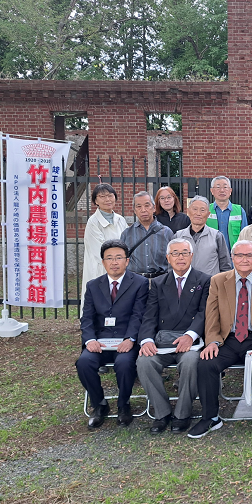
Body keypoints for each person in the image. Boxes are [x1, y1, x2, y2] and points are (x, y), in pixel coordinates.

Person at [188, 240, 252, 438]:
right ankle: (210, 417)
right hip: (226, 339)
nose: (244, 259)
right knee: (206, 363)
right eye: (239, 255)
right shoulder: (218, 281)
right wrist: (212, 341)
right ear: (232, 258)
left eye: (249, 255)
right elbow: (211, 315)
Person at [136, 239, 211, 434]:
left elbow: (204, 313)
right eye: (175, 253)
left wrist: (190, 335)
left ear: (191, 256)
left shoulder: (204, 280)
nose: (180, 257)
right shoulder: (158, 283)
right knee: (144, 361)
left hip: (191, 342)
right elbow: (149, 315)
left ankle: (182, 413)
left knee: (191, 362)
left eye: (185, 253)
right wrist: (146, 340)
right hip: (163, 342)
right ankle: (162, 413)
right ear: (168, 258)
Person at [77, 239, 149, 429]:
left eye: (118, 257)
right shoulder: (93, 285)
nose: (114, 262)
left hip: (126, 340)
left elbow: (139, 315)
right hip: (100, 341)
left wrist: (130, 339)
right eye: (109, 258)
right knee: (83, 363)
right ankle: (99, 404)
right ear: (103, 262)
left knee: (124, 364)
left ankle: (124, 405)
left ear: (127, 261)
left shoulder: (140, 283)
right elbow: (87, 317)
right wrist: (90, 340)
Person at [80, 183, 128, 311]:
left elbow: (127, 244)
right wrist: (116, 261)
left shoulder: (121, 220)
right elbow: (98, 251)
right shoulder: (93, 222)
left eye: (110, 195)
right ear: (96, 201)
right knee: (99, 304)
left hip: (120, 268)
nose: (107, 199)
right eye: (102, 196)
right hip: (100, 268)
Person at [120, 192, 174, 278]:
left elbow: (173, 259)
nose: (143, 210)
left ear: (154, 208)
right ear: (134, 210)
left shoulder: (166, 232)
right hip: (135, 280)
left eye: (147, 205)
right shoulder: (127, 234)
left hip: (160, 280)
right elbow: (121, 260)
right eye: (139, 206)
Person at [175, 196, 232, 275]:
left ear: (208, 214)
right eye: (195, 209)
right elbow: (172, 263)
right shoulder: (178, 236)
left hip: (210, 282)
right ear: (188, 212)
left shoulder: (217, 236)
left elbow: (225, 265)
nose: (198, 213)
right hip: (185, 282)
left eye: (202, 210)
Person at [208, 175, 249, 251]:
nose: (222, 190)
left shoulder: (239, 211)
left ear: (230, 191)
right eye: (218, 187)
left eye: (225, 187)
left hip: (233, 255)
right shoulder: (206, 210)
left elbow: (245, 236)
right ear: (212, 191)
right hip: (211, 254)